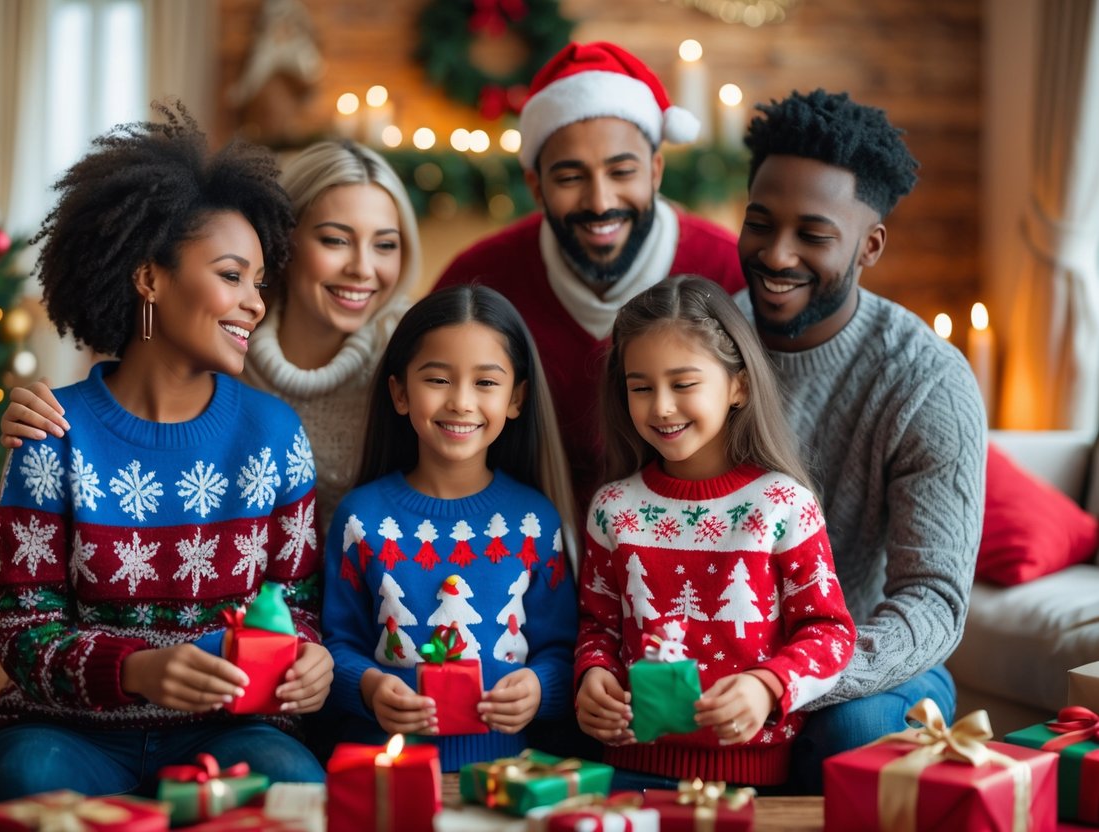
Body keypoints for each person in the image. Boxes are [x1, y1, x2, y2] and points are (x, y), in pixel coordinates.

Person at [0, 105, 330, 800]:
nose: (254, 303)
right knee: (27, 775)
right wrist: (136, 669)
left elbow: (295, 605)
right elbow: (22, 629)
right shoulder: (53, 433)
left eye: (259, 282)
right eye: (231, 276)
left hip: (229, 731)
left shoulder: (274, 435)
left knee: (294, 783)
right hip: (70, 732)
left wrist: (309, 659)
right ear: (148, 278)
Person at [733, 89, 987, 792]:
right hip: (711, 651)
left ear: (869, 245)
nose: (775, 254)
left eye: (813, 235)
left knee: (853, 733)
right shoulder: (699, 346)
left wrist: (785, 679)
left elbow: (932, 602)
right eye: (760, 224)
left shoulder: (926, 381)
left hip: (866, 667)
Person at [0, 139, 421, 534]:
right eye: (335, 240)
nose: (363, 268)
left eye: (386, 245)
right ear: (282, 241)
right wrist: (35, 513)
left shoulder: (416, 358)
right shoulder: (211, 339)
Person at [433, 41, 746, 507]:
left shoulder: (728, 271)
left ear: (655, 171)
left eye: (622, 172)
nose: (600, 202)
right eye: (570, 178)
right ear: (536, 186)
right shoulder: (478, 280)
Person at [574, 276, 856, 788]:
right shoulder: (612, 508)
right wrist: (593, 676)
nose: (661, 406)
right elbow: (599, 627)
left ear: (738, 385)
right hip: (627, 771)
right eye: (641, 387)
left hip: (754, 781)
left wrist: (768, 685)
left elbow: (830, 633)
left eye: (683, 384)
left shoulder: (782, 504)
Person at [322, 285, 579, 771]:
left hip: (506, 775)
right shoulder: (361, 518)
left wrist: (539, 687)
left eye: (486, 383)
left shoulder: (534, 522)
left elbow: (563, 651)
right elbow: (335, 645)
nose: (461, 402)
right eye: (438, 379)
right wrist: (369, 687)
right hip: (385, 769)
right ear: (400, 392)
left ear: (517, 398)